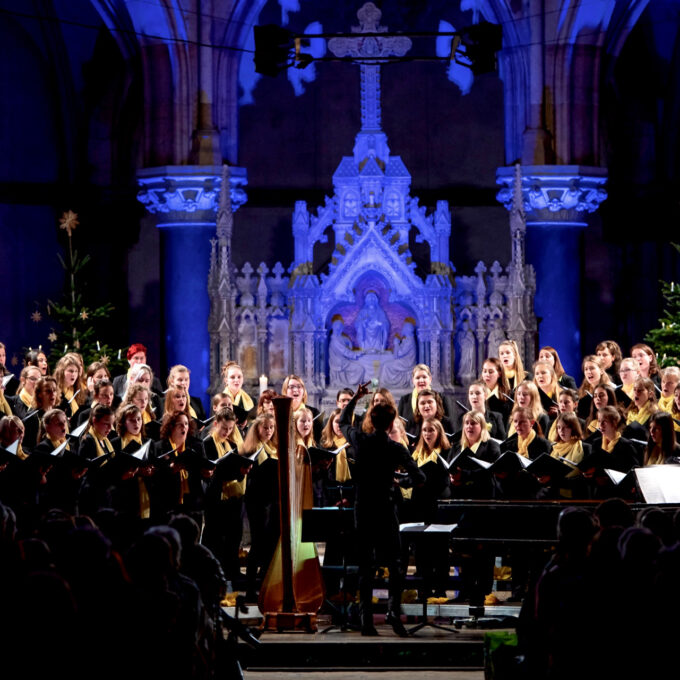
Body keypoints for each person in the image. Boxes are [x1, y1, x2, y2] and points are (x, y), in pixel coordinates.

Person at [339, 381, 425, 637]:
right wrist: (401, 480)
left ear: (371, 420)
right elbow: (419, 477)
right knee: (396, 563)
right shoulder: (395, 448)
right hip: (386, 510)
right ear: (391, 424)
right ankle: (392, 612)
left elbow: (344, 422)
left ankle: (366, 621)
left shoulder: (360, 441)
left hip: (363, 508)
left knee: (365, 565)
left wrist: (356, 397)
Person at [480, 357, 513, 423]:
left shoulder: (508, 395)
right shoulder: (476, 392)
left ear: (499, 374)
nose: (487, 374)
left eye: (491, 372)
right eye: (484, 371)